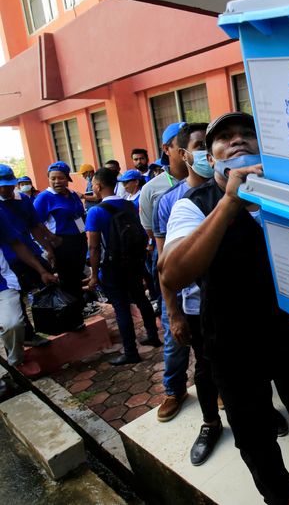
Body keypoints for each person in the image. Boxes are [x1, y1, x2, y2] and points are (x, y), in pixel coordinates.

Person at [160, 112, 289, 505]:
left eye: (247, 134)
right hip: (230, 345)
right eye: (225, 137)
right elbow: (172, 273)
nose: (238, 141)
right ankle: (279, 496)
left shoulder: (288, 196)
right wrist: (229, 203)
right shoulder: (192, 206)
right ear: (210, 156)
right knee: (253, 435)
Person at [152, 122, 229, 463]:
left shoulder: (228, 188)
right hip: (197, 306)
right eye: (199, 144)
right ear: (184, 154)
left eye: (209, 144)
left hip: (235, 299)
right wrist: (174, 314)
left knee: (245, 360)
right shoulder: (170, 202)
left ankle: (257, 410)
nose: (206, 151)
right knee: (205, 366)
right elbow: (163, 268)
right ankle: (211, 423)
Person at [83, 167, 161, 365]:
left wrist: (93, 275)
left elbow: (93, 247)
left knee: (121, 308)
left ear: (98, 186)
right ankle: (153, 336)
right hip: (134, 262)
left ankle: (131, 351)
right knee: (141, 299)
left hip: (112, 267)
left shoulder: (96, 212)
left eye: (93, 185)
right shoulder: (128, 205)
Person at [138, 122, 189, 418]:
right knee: (174, 339)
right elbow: (157, 243)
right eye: (178, 143)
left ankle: (218, 388)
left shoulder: (212, 181)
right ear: (167, 149)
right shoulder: (153, 192)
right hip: (173, 278)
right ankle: (174, 390)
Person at [0, 164, 57, 347]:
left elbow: (35, 226)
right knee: (17, 298)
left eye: (10, 185)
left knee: (50, 281)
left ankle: (61, 321)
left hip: (29, 251)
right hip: (8, 261)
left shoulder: (23, 200)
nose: (7, 189)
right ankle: (28, 335)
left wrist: (48, 249)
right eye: (3, 186)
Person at [1, 209, 58, 376]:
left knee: (13, 324)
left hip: (3, 284)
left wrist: (41, 271)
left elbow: (17, 244)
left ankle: (15, 361)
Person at [33, 161, 87, 318]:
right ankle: (71, 314)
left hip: (79, 240)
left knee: (77, 276)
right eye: (53, 178)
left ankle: (80, 308)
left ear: (67, 178)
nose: (57, 182)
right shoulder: (44, 198)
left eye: (61, 178)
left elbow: (79, 216)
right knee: (67, 279)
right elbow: (35, 223)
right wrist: (50, 240)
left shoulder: (72, 194)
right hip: (61, 243)